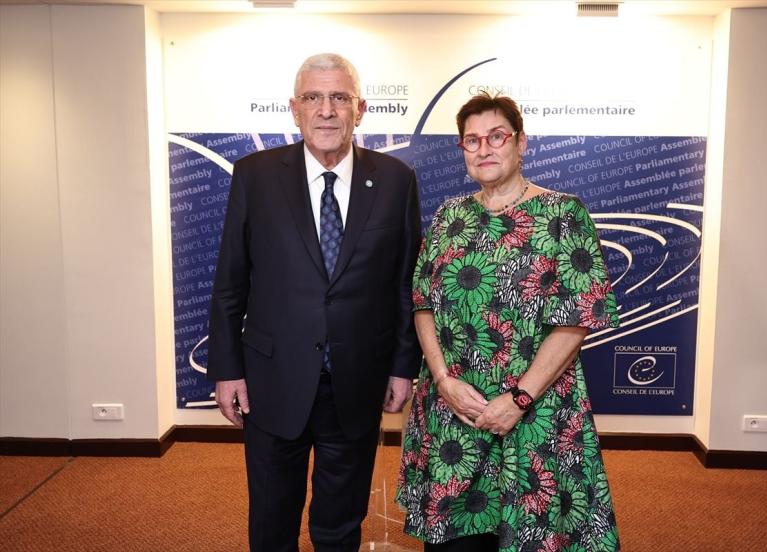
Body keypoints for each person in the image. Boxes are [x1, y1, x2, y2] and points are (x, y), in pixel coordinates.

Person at [207, 53, 422, 552]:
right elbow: (230, 281)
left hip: (357, 381)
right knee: (271, 520)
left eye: (339, 97)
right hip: (272, 381)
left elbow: (405, 285)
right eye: (313, 97)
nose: (326, 110)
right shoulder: (255, 175)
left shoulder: (396, 180)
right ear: (294, 108)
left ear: (360, 109)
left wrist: (402, 368)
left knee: (340, 524)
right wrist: (227, 370)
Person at [396, 93, 621, 551]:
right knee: (455, 541)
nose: (484, 149)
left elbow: (576, 319)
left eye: (496, 136)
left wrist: (518, 399)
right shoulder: (448, 217)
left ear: (521, 143)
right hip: (455, 411)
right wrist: (443, 380)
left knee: (534, 535)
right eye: (472, 140)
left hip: (535, 412)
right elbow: (422, 304)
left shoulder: (563, 214)